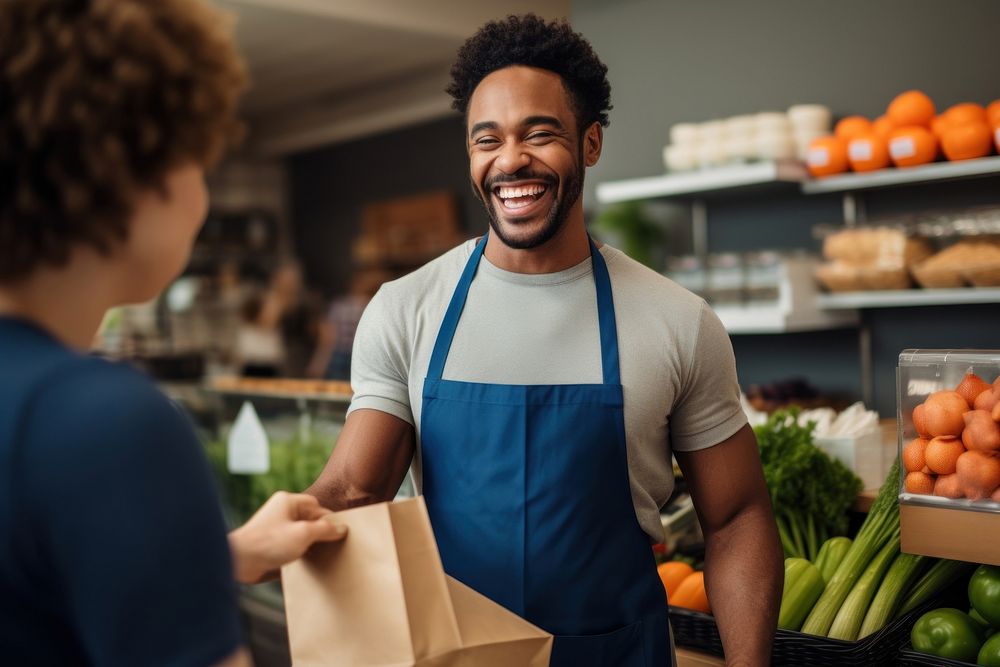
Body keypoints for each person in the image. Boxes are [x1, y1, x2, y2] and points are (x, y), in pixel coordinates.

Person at [307, 14, 783, 666]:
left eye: (540, 134)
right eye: (487, 140)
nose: (511, 161)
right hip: (453, 654)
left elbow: (736, 517)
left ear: (590, 144)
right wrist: (245, 540)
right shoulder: (407, 308)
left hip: (620, 652)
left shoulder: (677, 320)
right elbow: (354, 491)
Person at [0, 2, 345, 666]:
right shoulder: (104, 424)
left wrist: (222, 554)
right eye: (196, 156)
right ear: (129, 170)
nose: (202, 192)